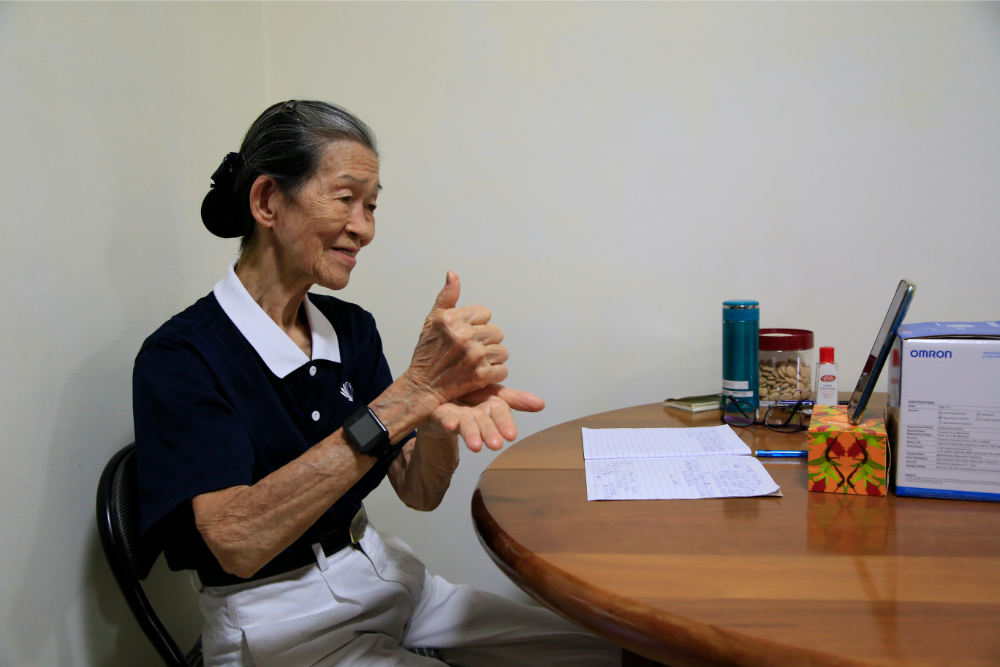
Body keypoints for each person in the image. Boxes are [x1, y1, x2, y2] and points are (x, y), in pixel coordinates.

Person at [133, 100, 618, 667]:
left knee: (613, 654)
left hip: (385, 571)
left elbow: (419, 492)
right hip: (279, 620)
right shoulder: (183, 356)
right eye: (346, 198)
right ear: (267, 201)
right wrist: (408, 398)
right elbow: (236, 543)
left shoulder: (350, 328)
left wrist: (435, 416)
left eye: (371, 205)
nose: (363, 228)